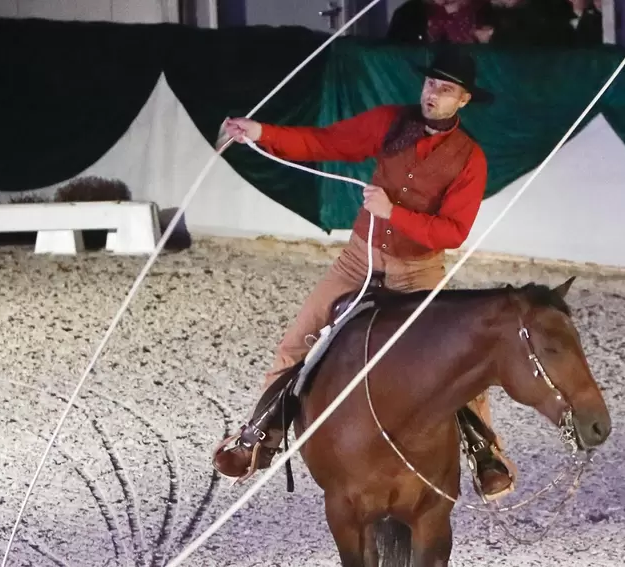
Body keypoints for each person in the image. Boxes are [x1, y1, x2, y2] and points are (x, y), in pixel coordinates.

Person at [212, 45, 517, 502]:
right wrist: (260, 131)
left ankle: (486, 454)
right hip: (360, 259)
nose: (433, 94)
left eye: (446, 89)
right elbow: (325, 142)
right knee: (298, 338)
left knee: (457, 357)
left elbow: (452, 232)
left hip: (417, 270)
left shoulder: (470, 160)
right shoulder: (391, 122)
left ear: (464, 100)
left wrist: (392, 212)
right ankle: (258, 438)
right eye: (431, 83)